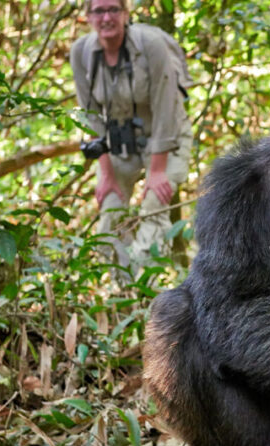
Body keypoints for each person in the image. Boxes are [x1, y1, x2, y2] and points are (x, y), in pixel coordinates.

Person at [70, 0, 193, 277]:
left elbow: (166, 108)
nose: (106, 18)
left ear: (125, 14)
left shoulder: (150, 45)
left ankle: (146, 290)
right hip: (120, 141)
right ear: (88, 17)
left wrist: (157, 171)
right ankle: (122, 290)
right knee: (110, 215)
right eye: (98, 11)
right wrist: (107, 174)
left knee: (153, 210)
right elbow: (89, 116)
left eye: (113, 9)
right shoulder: (81, 53)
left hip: (167, 136)